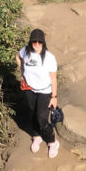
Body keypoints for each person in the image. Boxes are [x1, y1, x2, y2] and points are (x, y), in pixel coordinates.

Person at [16, 27, 60, 158]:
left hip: (44, 91)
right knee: (32, 113)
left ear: (43, 42)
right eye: (34, 41)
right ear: (30, 42)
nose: (36, 44)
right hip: (29, 89)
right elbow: (17, 57)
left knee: (42, 118)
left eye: (39, 42)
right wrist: (22, 71)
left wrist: (54, 97)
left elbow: (53, 79)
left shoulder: (49, 58)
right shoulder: (25, 51)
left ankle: (52, 142)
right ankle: (37, 136)